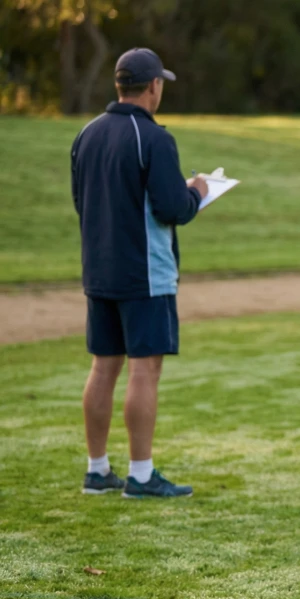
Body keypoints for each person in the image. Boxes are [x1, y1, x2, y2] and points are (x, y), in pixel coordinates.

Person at [72, 48, 208, 498]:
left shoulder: (86, 134)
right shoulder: (153, 138)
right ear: (153, 86)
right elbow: (173, 208)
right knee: (144, 371)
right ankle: (143, 476)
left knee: (103, 366)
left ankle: (97, 470)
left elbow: (83, 200)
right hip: (146, 273)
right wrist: (198, 191)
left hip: (99, 269)